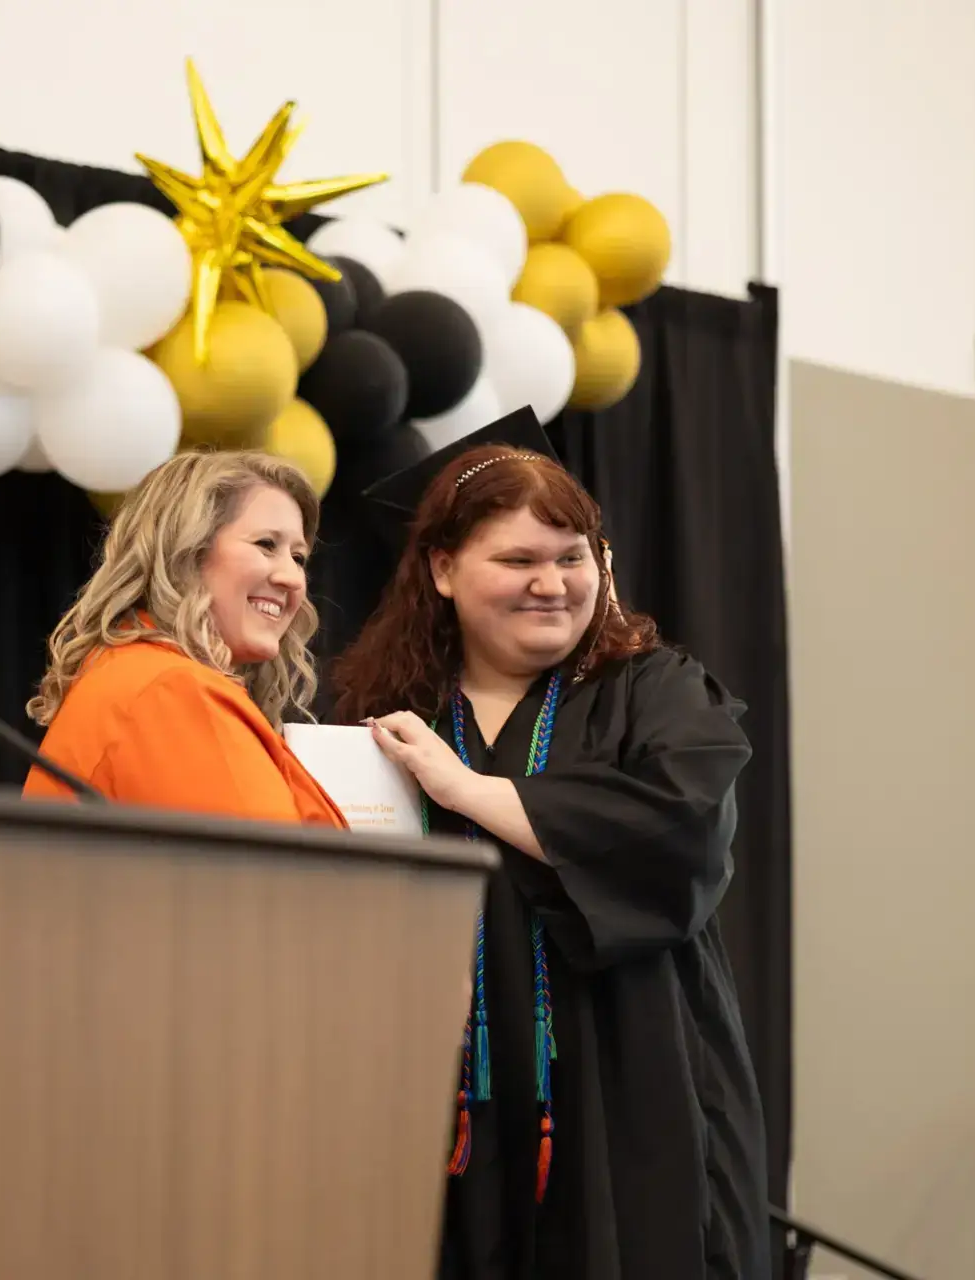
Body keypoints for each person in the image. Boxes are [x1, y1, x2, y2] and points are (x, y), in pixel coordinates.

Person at [329, 408, 769, 1280]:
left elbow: (676, 829)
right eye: (519, 560)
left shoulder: (654, 691)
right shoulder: (388, 722)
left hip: (631, 1074)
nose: (553, 583)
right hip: (442, 1097)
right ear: (444, 570)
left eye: (573, 558)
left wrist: (468, 791)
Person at [23, 449, 345, 827]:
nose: (293, 579)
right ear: (186, 554)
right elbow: (277, 878)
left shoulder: (141, 674)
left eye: (299, 558)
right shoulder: (172, 690)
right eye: (266, 545)